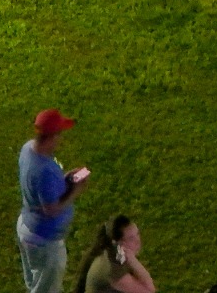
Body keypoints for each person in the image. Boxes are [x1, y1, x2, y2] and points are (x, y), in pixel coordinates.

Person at [17, 108, 87, 293]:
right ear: (53, 136)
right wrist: (76, 190)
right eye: (59, 134)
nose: (61, 139)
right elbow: (52, 209)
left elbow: (41, 188)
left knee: (37, 283)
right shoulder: (44, 170)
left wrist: (63, 180)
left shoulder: (27, 149)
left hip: (27, 227)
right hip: (44, 239)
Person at [79, 216, 156, 293]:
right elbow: (149, 290)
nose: (138, 241)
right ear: (117, 243)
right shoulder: (113, 268)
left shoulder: (115, 254)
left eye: (137, 234)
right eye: (131, 238)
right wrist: (133, 261)